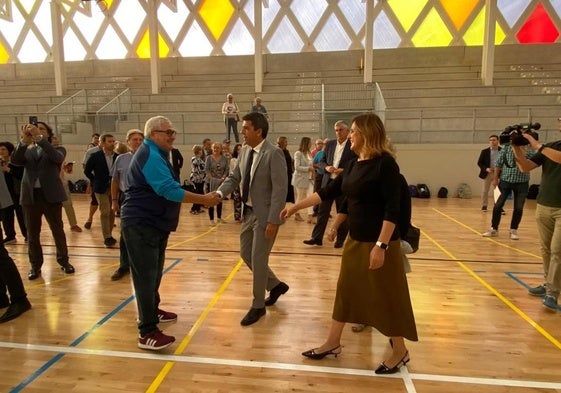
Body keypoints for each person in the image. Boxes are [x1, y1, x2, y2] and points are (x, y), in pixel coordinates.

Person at [280, 112, 417, 374]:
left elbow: (392, 209)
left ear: (367, 134)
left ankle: (400, 350)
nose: (349, 135)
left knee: (388, 297)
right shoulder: (354, 164)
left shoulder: (385, 165)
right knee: (346, 291)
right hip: (356, 241)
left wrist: (381, 246)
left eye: (353, 131)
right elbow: (329, 192)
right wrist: (296, 206)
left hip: (380, 243)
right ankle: (333, 342)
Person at [120, 115, 219, 350]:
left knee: (153, 274)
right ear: (154, 134)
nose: (173, 136)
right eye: (169, 132)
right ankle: (147, 331)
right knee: (145, 278)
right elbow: (168, 190)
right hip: (141, 224)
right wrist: (203, 199)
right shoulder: (150, 154)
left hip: (154, 224)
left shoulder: (157, 153)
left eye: (173, 132)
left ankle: (152, 311)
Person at [215, 112, 289, 326]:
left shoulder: (274, 153)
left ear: (259, 131)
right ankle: (275, 285)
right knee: (246, 253)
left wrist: (273, 220)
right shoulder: (245, 151)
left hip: (265, 215)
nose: (242, 132)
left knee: (258, 259)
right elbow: (234, 177)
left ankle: (258, 306)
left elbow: (280, 189)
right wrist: (219, 194)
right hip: (248, 212)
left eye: (246, 128)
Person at [12, 121, 74, 280]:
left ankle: (64, 261)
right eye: (34, 129)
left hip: (51, 195)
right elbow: (16, 161)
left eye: (41, 129)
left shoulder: (56, 148)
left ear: (47, 133)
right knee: (32, 234)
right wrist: (23, 142)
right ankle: (35, 265)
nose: (36, 131)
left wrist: (39, 138)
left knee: (57, 230)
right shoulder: (27, 148)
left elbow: (57, 158)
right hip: (30, 196)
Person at [513, 122, 561, 312]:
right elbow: (525, 167)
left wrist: (536, 145)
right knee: (546, 249)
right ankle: (548, 282)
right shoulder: (552, 146)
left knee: (558, 250)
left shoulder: (548, 149)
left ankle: (552, 292)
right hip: (544, 204)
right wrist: (517, 148)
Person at [303, 121, 356, 248]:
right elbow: (321, 162)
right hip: (328, 181)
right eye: (336, 130)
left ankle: (340, 240)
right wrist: (327, 168)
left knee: (342, 212)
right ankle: (316, 238)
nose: (338, 132)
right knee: (322, 211)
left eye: (341, 130)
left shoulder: (353, 145)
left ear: (347, 131)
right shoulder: (331, 144)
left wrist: (343, 170)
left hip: (343, 183)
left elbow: (356, 163)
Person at [109, 129, 144, 281]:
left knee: (144, 233)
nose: (137, 142)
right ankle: (124, 265)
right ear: (128, 142)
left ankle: (142, 266)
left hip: (144, 198)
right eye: (134, 139)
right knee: (125, 233)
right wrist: (114, 200)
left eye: (140, 139)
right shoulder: (121, 159)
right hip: (127, 197)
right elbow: (115, 180)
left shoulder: (149, 158)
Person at [482, 143, 533, 240]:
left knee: (518, 207)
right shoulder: (506, 147)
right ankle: (494, 229)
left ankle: (513, 229)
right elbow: (498, 163)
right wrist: (496, 178)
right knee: (498, 205)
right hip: (505, 180)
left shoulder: (527, 147)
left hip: (522, 182)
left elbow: (532, 160)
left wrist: (521, 148)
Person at [84, 133, 118, 248]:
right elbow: (87, 171)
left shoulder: (117, 157)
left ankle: (110, 234)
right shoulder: (95, 156)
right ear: (103, 143)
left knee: (112, 211)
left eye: (113, 141)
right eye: (109, 141)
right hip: (100, 188)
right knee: (105, 211)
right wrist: (94, 181)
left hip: (113, 188)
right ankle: (107, 237)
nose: (112, 143)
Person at [0, 141, 27, 243]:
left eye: (3, 149)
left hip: (17, 192)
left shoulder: (15, 162)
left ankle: (27, 235)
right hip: (5, 194)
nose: (1, 151)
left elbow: (22, 176)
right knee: (6, 216)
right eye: (0, 149)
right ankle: (10, 236)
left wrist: (8, 170)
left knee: (21, 215)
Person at [205, 142, 229, 226]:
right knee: (210, 199)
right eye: (214, 148)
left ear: (221, 149)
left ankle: (219, 217)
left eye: (218, 148)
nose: (216, 149)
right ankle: (211, 219)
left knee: (219, 200)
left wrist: (223, 177)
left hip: (221, 182)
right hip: (210, 182)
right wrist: (211, 178)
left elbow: (226, 170)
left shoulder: (224, 159)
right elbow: (207, 170)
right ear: (212, 148)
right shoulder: (209, 158)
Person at [292, 137, 314, 223]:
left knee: (311, 197)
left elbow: (311, 164)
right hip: (300, 178)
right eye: (310, 142)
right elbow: (297, 167)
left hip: (310, 179)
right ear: (306, 143)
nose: (311, 144)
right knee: (300, 198)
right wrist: (309, 168)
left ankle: (310, 216)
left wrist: (313, 169)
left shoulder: (309, 153)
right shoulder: (298, 153)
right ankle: (296, 214)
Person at [477, 135, 501, 211]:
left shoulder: (502, 151)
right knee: (485, 190)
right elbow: (479, 162)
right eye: (490, 140)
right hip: (488, 173)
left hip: (498, 173)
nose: (492, 142)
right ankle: (484, 205)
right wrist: (486, 168)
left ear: (498, 141)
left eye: (494, 140)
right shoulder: (484, 151)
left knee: (497, 190)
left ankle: (498, 206)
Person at [60, 162, 82, 232]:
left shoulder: (60, 154)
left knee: (68, 205)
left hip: (63, 185)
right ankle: (56, 226)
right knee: (54, 208)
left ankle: (73, 225)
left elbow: (66, 171)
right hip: (52, 185)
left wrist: (67, 167)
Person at [277, 136, 295, 204]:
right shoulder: (277, 150)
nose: (287, 143)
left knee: (286, 194)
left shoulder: (286, 151)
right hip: (281, 176)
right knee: (281, 194)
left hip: (288, 175)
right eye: (285, 142)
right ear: (281, 142)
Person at [311, 139, 326, 218]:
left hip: (327, 176)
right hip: (319, 175)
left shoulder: (331, 153)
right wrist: (320, 166)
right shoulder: (319, 153)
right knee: (317, 192)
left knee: (326, 193)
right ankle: (315, 210)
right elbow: (313, 164)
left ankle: (324, 210)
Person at [189, 145, 206, 215]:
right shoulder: (195, 160)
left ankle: (198, 208)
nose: (202, 152)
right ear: (198, 151)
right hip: (196, 179)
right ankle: (193, 208)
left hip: (200, 179)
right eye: (201, 150)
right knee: (198, 194)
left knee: (200, 193)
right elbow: (199, 169)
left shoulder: (199, 159)